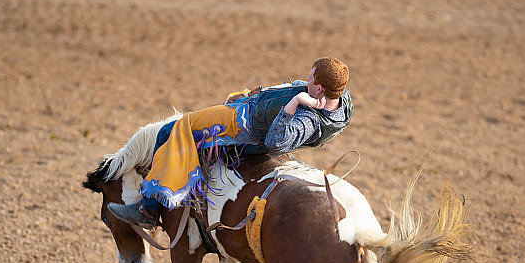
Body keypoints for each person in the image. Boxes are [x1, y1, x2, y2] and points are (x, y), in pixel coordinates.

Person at [109, 57, 353, 228]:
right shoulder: (339, 98)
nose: (305, 78)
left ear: (320, 89)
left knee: (171, 131)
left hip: (242, 125)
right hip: (252, 110)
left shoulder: (309, 119)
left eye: (310, 78)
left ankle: (148, 211)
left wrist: (297, 100)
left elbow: (276, 142)